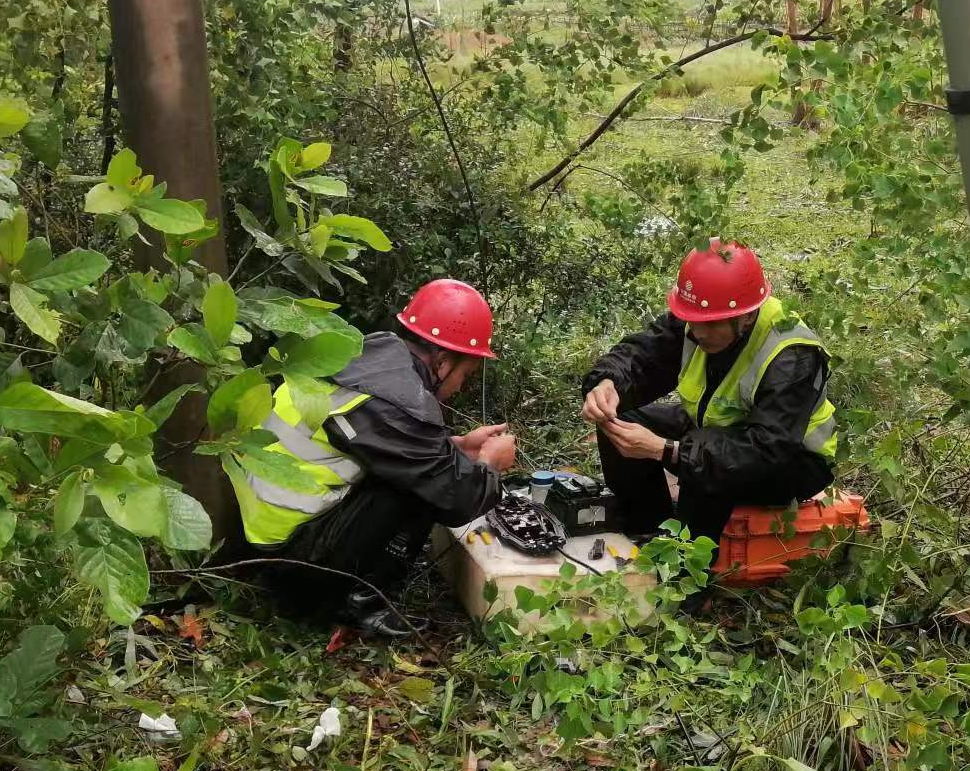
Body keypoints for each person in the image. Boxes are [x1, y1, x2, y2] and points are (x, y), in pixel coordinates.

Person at [232, 279, 516, 636]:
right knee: (420, 487)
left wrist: (458, 446)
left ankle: (346, 592)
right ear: (443, 362)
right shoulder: (394, 403)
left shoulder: (368, 360)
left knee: (421, 471)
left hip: (262, 536)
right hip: (290, 562)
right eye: (465, 374)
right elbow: (459, 498)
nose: (460, 387)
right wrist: (489, 464)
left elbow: (385, 447)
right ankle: (358, 604)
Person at [580, 238, 837, 547]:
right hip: (716, 431)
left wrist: (665, 450)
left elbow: (769, 450)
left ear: (747, 317)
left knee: (704, 466)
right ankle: (646, 528)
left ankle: (684, 576)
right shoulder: (701, 317)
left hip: (791, 461)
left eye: (712, 325)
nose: (698, 333)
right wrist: (607, 383)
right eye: (693, 321)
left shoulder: (791, 356)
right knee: (621, 419)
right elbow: (644, 356)